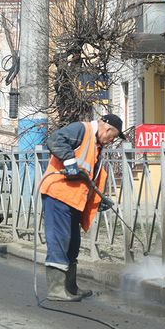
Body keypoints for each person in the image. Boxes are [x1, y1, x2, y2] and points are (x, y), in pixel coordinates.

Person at [40, 114, 125, 301]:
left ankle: (70, 287)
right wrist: (70, 162)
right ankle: (56, 290)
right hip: (58, 194)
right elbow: (54, 140)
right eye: (113, 136)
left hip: (73, 199)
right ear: (107, 128)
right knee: (60, 240)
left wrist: (97, 199)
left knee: (72, 243)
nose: (111, 141)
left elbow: (89, 175)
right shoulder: (81, 129)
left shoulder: (97, 146)